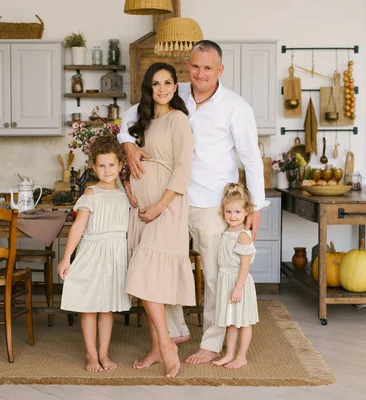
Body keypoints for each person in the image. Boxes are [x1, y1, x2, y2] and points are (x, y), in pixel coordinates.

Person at [118, 40, 270, 365]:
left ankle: (211, 344)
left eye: (208, 68)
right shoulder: (173, 92)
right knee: (162, 266)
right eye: (196, 66)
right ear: (188, 65)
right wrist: (129, 146)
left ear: (220, 70)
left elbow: (251, 158)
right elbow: (129, 118)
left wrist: (255, 206)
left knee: (216, 276)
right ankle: (171, 334)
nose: (200, 74)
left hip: (211, 202)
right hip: (169, 200)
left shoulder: (235, 106)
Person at [124, 62, 195, 378]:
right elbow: (134, 158)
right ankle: (156, 347)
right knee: (148, 280)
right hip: (141, 208)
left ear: (176, 86)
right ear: (148, 88)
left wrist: (160, 206)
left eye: (168, 82)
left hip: (166, 208)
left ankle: (166, 345)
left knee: (145, 271)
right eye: (156, 83)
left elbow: (183, 168)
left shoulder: (178, 120)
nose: (163, 88)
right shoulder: (144, 120)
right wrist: (128, 182)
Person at [57, 135, 131, 373]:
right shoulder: (90, 193)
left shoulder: (125, 194)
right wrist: (66, 257)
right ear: (93, 167)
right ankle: (91, 355)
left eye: (111, 165)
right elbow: (78, 227)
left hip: (115, 254)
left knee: (107, 307)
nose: (107, 170)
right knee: (89, 305)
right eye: (101, 165)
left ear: (121, 165)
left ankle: (104, 353)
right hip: (93, 252)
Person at [212, 183, 259, 369]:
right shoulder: (227, 232)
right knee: (230, 321)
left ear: (247, 212)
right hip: (226, 280)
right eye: (229, 212)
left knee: (244, 321)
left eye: (237, 212)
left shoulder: (242, 236)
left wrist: (238, 287)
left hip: (238, 282)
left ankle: (241, 356)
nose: (232, 216)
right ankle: (229, 353)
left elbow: (245, 265)